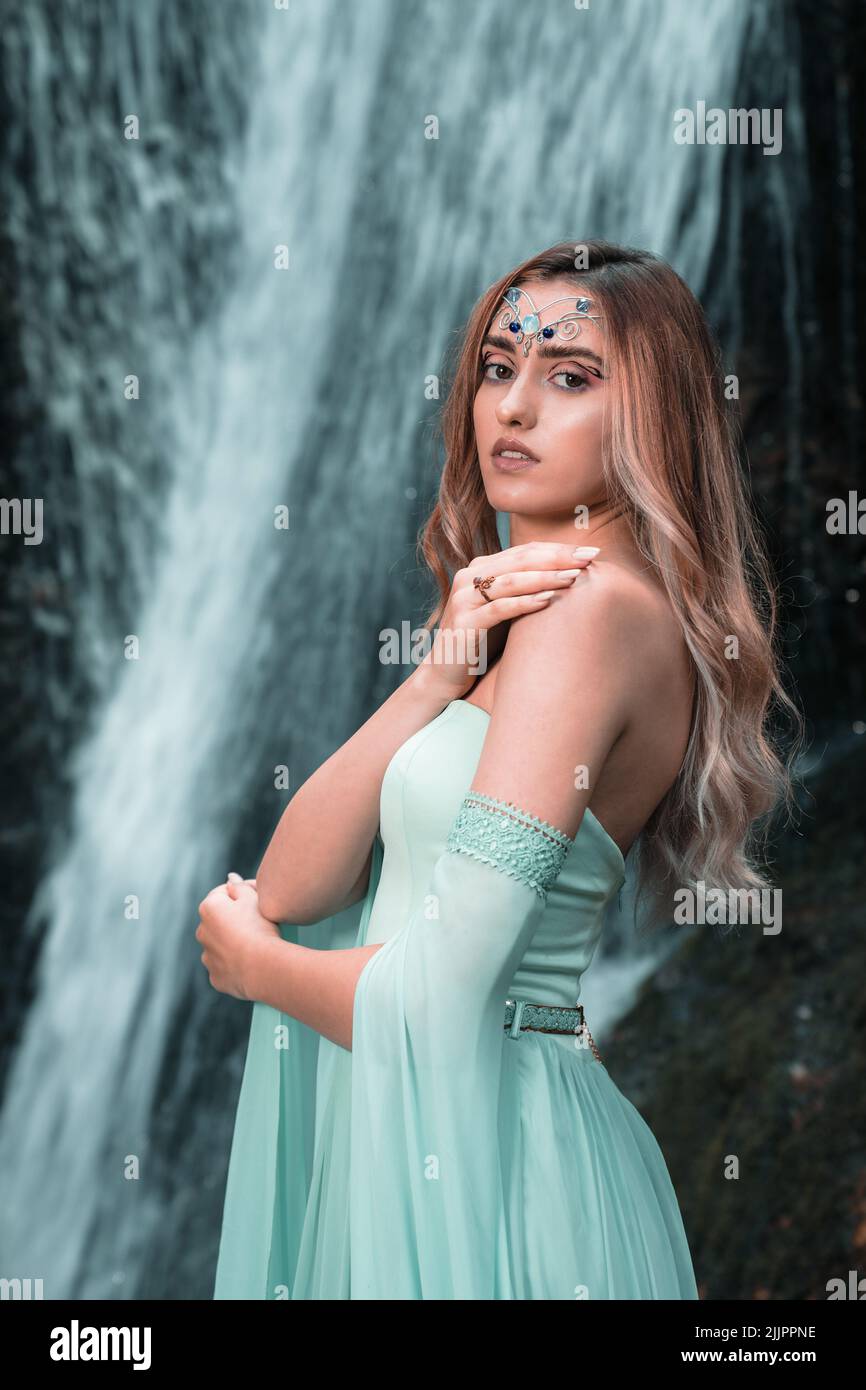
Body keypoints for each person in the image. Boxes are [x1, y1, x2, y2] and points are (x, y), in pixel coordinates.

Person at [198, 239, 799, 1299]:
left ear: (652, 417)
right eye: (493, 366)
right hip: (448, 1146)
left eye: (568, 376)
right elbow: (293, 887)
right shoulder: (530, 616)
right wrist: (433, 678)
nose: (510, 408)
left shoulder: (594, 614)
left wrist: (259, 973)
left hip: (493, 1179)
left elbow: (440, 1003)